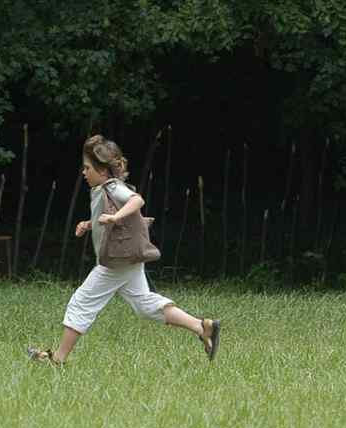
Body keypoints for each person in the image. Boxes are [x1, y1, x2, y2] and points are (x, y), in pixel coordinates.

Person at [29, 135, 221, 365]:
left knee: (81, 302)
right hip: (127, 260)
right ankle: (202, 327)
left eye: (87, 167)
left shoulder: (112, 186)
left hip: (116, 263)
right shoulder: (104, 188)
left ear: (102, 171)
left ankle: (58, 359)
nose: (83, 172)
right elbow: (108, 217)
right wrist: (90, 224)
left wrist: (115, 217)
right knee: (144, 305)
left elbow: (136, 201)